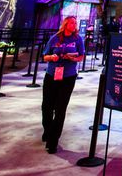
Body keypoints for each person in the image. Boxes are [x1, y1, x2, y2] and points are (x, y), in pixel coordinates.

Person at [41, 16, 85, 154]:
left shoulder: (78, 39)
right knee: (47, 106)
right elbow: (45, 56)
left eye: (75, 23)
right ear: (65, 24)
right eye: (71, 23)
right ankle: (48, 130)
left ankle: (53, 141)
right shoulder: (54, 38)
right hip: (52, 75)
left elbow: (81, 56)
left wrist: (73, 58)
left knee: (60, 108)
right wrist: (52, 57)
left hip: (68, 77)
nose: (74, 25)